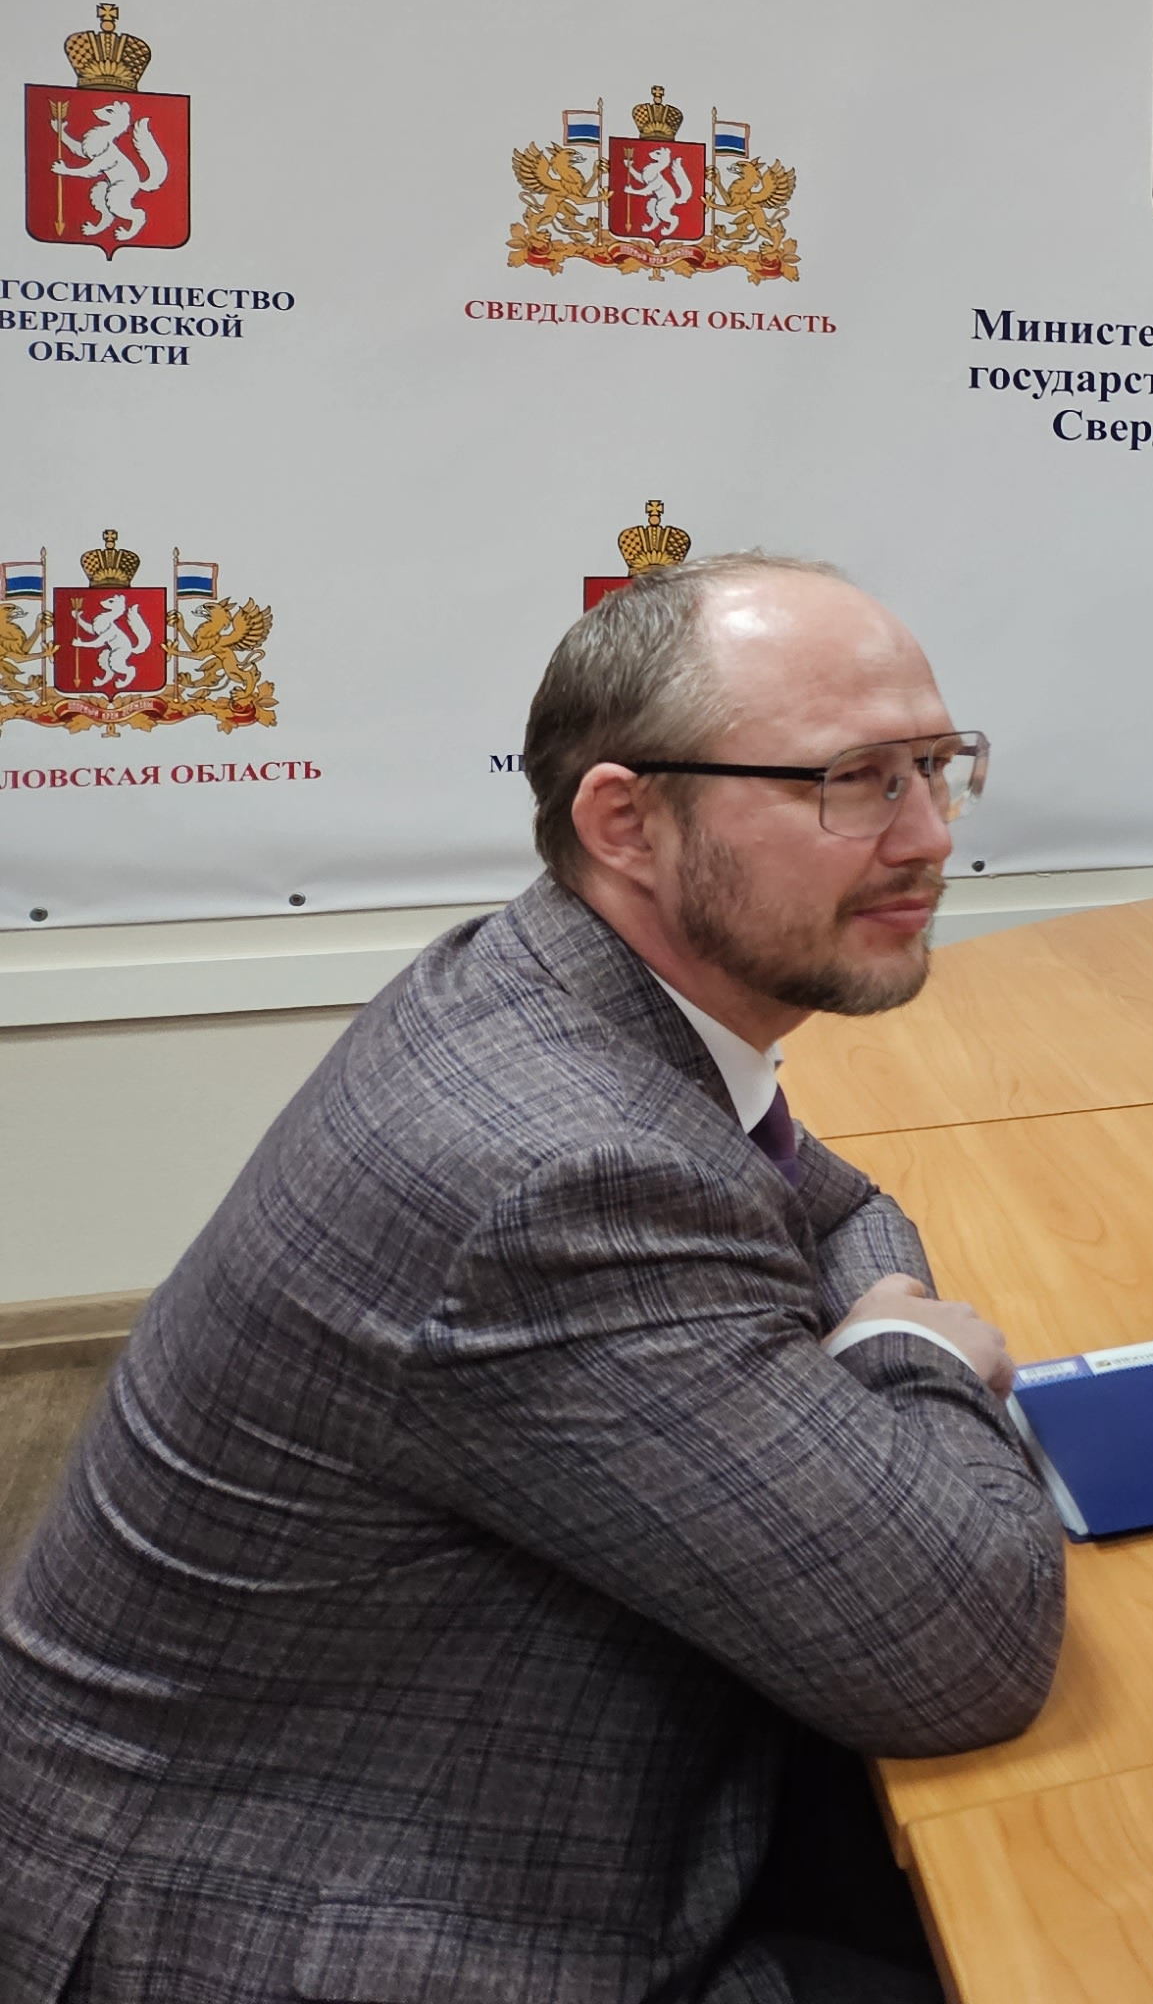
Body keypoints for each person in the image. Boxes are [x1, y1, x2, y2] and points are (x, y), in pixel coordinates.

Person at [0, 558, 1063, 2004]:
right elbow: (961, 1646)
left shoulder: (565, 983)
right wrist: (907, 1359)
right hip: (301, 1914)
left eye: (938, 766)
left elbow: (840, 1209)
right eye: (854, 781)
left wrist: (861, 1329)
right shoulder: (557, 1171)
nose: (930, 834)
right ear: (625, 821)